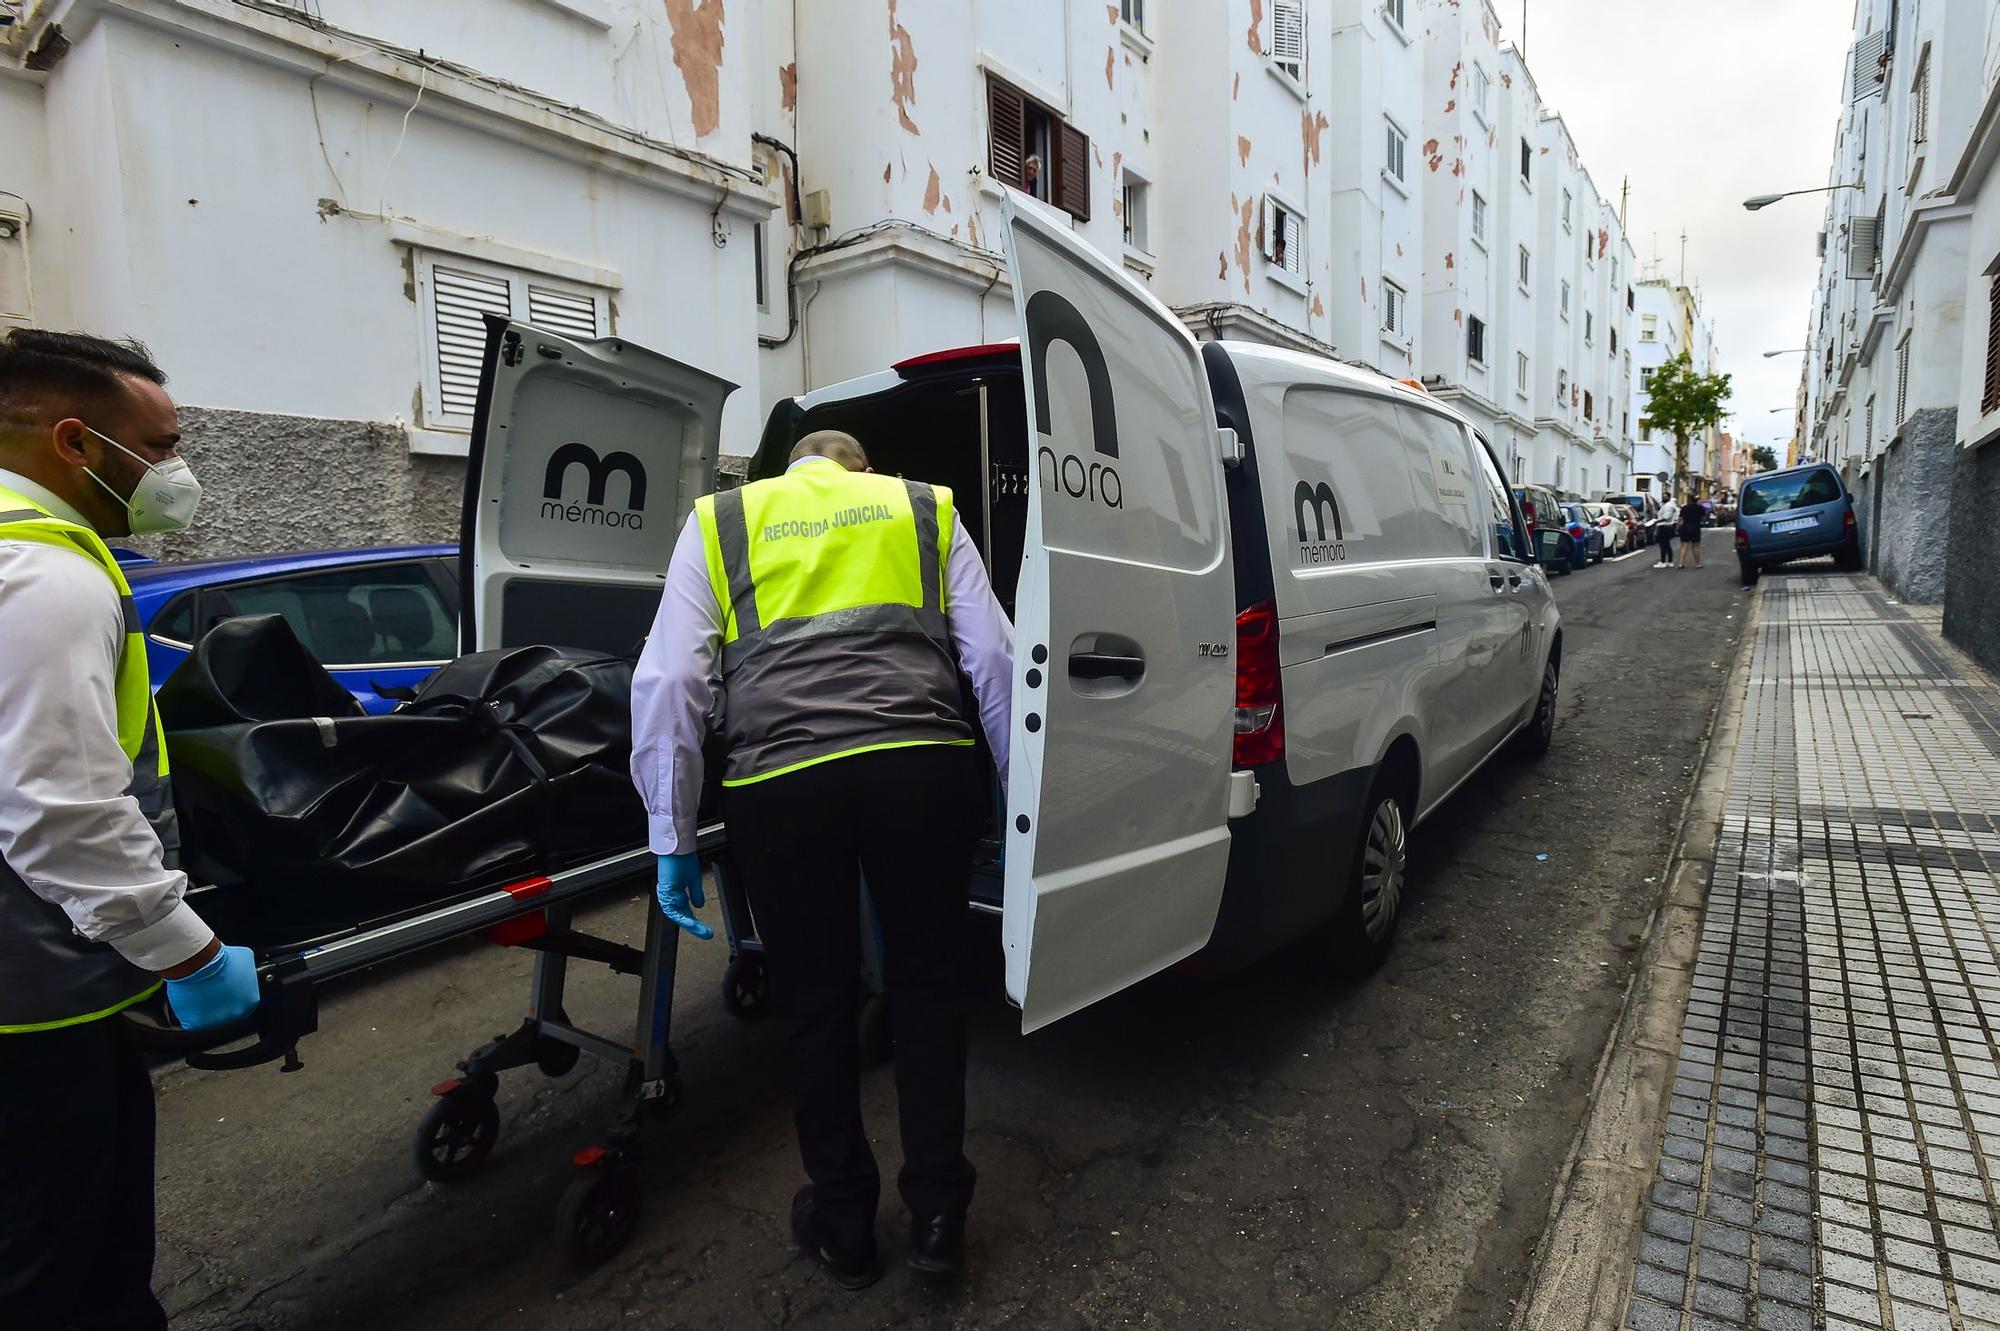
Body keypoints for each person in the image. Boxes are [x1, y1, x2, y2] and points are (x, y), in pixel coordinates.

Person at [631, 430, 1013, 1290]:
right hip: (921, 770)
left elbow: (672, 685)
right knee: (927, 986)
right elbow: (992, 659)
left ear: (789, 471)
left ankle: (844, 1225)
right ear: (862, 470)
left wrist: (673, 836)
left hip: (782, 783)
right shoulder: (923, 506)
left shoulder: (725, 518)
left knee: (815, 1003)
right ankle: (940, 1216)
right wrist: (1022, 801)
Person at [0, 329, 263, 1330]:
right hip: (34, 1003)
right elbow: (57, 811)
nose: (175, 470)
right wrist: (187, 952)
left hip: (36, 996)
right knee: (68, 1271)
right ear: (74, 442)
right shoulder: (45, 577)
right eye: (160, 445)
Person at [1676, 493, 1706, 569]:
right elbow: (1703, 518)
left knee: (1684, 546)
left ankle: (1681, 563)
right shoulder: (1700, 508)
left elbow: (1680, 519)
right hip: (1695, 528)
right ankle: (1697, 564)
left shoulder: (1685, 508)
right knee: (1696, 546)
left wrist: (1677, 528)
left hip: (1685, 528)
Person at [1652, 492, 1680, 567]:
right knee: (1666, 545)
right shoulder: (1666, 505)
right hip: (1665, 526)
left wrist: (1656, 521)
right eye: (1663, 496)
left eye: (1665, 496)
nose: (1664, 498)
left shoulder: (1669, 506)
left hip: (1665, 527)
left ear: (1669, 497)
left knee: (1663, 545)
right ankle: (1669, 561)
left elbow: (1666, 517)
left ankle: (1663, 561)